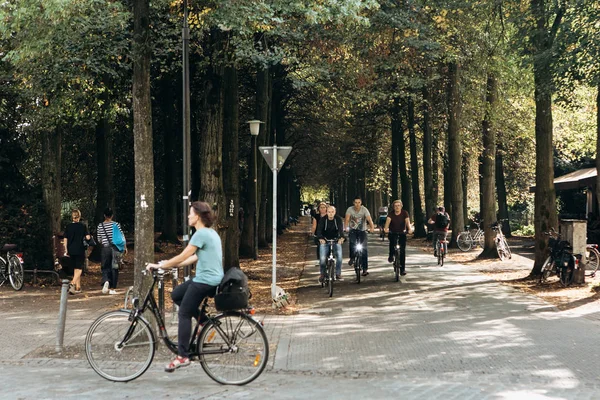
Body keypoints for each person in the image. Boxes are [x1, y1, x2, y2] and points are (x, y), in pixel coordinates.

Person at [146, 201, 224, 373]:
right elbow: (193, 258)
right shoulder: (211, 233)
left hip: (206, 280)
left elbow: (183, 255)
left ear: (197, 216)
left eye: (190, 213)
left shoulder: (200, 234)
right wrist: (168, 264)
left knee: (184, 313)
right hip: (211, 279)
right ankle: (204, 322)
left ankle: (183, 355)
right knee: (177, 295)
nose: (188, 216)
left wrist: (161, 266)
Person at [97, 208, 126, 295]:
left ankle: (106, 280)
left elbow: (99, 239)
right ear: (112, 215)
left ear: (104, 215)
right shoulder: (116, 225)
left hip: (105, 248)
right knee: (114, 268)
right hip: (115, 248)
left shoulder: (100, 226)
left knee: (105, 267)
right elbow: (122, 237)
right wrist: (124, 247)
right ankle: (112, 288)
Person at [345, 196, 375, 276]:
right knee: (352, 243)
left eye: (359, 202)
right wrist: (346, 227)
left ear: (361, 203)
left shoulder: (364, 209)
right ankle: (352, 257)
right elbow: (347, 219)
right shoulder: (350, 209)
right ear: (353, 203)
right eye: (356, 202)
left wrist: (372, 227)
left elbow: (369, 219)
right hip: (353, 230)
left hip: (362, 230)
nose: (357, 204)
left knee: (364, 249)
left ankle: (365, 269)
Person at [63, 209, 91, 295]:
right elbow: (87, 237)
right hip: (80, 249)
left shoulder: (68, 226)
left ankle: (78, 287)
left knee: (75, 267)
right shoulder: (83, 226)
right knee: (79, 269)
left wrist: (66, 250)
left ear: (72, 216)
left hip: (71, 249)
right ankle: (72, 283)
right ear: (79, 216)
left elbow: (65, 239)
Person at [316, 205, 345, 281]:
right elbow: (319, 231)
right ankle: (322, 274)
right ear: (327, 212)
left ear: (335, 212)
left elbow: (341, 231)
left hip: (335, 240)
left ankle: (338, 274)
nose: (331, 213)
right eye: (329, 212)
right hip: (325, 240)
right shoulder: (323, 220)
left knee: (339, 257)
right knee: (322, 258)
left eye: (332, 212)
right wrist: (321, 238)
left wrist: (341, 238)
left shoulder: (338, 219)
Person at [384, 200, 413, 276]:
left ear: (401, 206)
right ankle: (391, 255)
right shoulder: (391, 214)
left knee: (402, 251)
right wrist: (386, 229)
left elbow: (407, 222)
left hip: (402, 233)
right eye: (395, 206)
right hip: (393, 232)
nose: (397, 207)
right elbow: (387, 222)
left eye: (398, 205)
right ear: (393, 207)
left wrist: (409, 229)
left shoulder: (404, 213)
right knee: (392, 243)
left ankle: (402, 269)